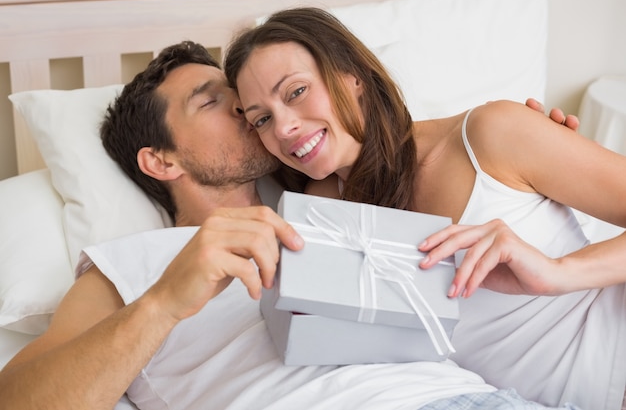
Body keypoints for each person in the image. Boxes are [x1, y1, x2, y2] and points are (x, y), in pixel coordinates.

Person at [0, 41, 581, 410]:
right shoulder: (133, 262)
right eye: (211, 103)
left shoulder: (343, 208)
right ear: (162, 160)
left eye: (245, 104)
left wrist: (549, 166)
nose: (245, 112)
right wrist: (163, 303)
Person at [223, 7, 626, 410]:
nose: (283, 128)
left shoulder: (490, 134)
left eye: (296, 92)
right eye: (262, 120)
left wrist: (555, 273)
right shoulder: (322, 209)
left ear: (352, 74)